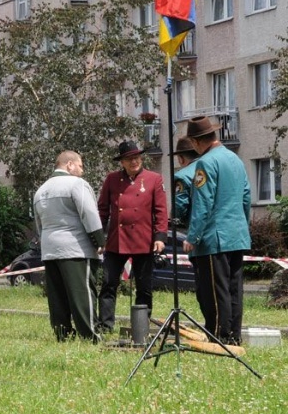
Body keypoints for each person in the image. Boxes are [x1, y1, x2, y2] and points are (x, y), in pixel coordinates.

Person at [182, 116, 251, 345]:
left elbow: (203, 203)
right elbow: (246, 198)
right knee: (234, 289)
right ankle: (234, 336)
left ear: (195, 142)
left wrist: (193, 236)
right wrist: (242, 226)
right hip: (237, 234)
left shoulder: (205, 163)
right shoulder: (236, 160)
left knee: (215, 290)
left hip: (214, 238)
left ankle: (219, 336)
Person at [33, 151, 106, 342]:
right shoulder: (77, 184)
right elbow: (89, 213)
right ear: (70, 164)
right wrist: (99, 240)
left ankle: (62, 334)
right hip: (75, 247)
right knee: (82, 293)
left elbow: (39, 224)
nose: (82, 170)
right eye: (81, 166)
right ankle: (90, 335)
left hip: (50, 249)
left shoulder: (41, 190)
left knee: (57, 296)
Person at [96, 141, 168, 333]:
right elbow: (103, 209)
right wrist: (99, 236)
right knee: (108, 285)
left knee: (144, 287)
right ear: (122, 162)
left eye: (136, 157)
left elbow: (161, 211)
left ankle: (141, 326)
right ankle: (105, 326)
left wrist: (160, 237)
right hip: (116, 241)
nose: (134, 161)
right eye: (129, 159)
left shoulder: (154, 179)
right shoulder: (111, 180)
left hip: (144, 241)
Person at [172, 136, 200, 227]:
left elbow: (179, 207)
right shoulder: (211, 168)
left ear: (181, 158)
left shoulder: (182, 176)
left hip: (192, 229)